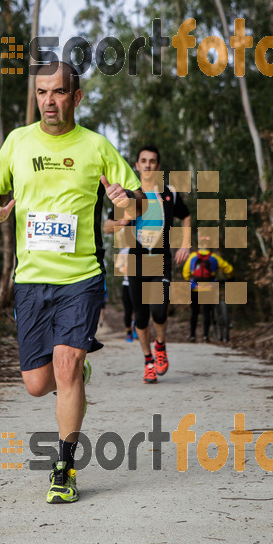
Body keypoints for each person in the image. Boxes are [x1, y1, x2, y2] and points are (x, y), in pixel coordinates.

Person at [0, 62, 143, 504]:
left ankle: (64, 467)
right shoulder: (17, 142)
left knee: (66, 365)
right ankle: (73, 368)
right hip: (31, 280)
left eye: (57, 93)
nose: (49, 102)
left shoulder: (96, 147)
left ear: (77, 96)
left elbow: (136, 199)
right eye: (41, 93)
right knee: (38, 382)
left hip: (81, 279)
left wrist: (124, 200)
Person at [104, 145, 191, 383]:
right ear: (137, 165)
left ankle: (160, 345)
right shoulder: (128, 195)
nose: (148, 165)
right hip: (135, 260)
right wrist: (120, 224)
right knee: (140, 318)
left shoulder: (169, 193)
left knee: (159, 311)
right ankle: (148, 361)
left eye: (152, 161)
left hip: (160, 257)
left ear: (158, 166)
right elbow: (106, 226)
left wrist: (185, 244)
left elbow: (185, 215)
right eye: (143, 160)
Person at [183, 237, 234, 342]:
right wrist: (231, 277)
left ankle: (192, 335)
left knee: (194, 312)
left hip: (195, 288)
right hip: (209, 288)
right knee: (207, 312)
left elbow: (185, 273)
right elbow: (229, 269)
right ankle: (205, 336)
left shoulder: (192, 256)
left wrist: (190, 280)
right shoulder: (214, 257)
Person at [115, 247, 137, 341]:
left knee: (139, 309)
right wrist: (124, 269)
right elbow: (118, 267)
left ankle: (137, 327)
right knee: (128, 311)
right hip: (127, 284)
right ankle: (128, 332)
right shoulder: (124, 251)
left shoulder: (142, 248)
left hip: (138, 284)